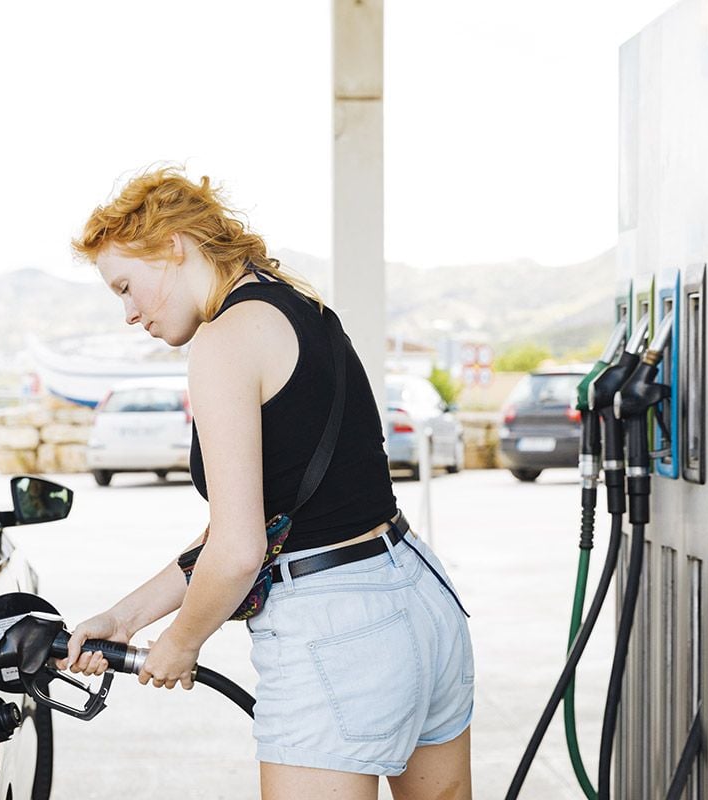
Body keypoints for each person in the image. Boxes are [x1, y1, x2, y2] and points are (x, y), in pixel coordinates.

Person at [60, 167, 474, 800]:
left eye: (126, 286)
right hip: (419, 595)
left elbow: (237, 552)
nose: (129, 313)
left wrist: (180, 643)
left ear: (173, 245)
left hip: (336, 624)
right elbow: (252, 527)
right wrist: (126, 618)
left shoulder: (223, 340)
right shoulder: (306, 311)